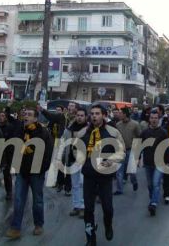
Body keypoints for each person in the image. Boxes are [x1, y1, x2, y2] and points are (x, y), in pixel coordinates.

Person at [77, 104, 125, 246]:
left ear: (103, 115)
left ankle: (108, 225)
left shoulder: (113, 132)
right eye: (92, 113)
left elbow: (121, 152)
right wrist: (82, 160)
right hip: (89, 176)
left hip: (105, 176)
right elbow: (76, 150)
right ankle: (90, 238)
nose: (94, 116)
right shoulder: (83, 133)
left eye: (97, 113)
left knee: (107, 207)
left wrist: (110, 161)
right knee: (88, 209)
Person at [6, 107, 53, 239]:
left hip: (37, 172)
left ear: (36, 118)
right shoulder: (19, 130)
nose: (26, 116)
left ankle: (38, 224)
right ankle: (15, 228)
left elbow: (48, 152)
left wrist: (42, 168)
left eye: (29, 115)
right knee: (19, 199)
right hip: (21, 170)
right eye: (25, 114)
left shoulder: (43, 132)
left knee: (37, 200)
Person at [60, 107, 89, 218]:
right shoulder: (69, 129)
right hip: (72, 159)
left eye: (82, 115)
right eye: (78, 115)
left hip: (85, 159)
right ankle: (76, 206)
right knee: (75, 184)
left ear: (86, 117)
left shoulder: (89, 129)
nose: (79, 117)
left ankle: (83, 207)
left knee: (82, 184)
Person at [140, 111, 169, 216]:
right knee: (150, 185)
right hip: (148, 162)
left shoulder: (163, 132)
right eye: (152, 118)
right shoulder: (144, 133)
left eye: (156, 118)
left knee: (156, 183)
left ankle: (153, 203)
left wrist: (168, 161)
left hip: (160, 163)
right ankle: (153, 198)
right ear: (149, 119)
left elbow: (167, 148)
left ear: (159, 119)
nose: (154, 120)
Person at [114, 107, 141, 195]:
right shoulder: (118, 125)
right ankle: (119, 189)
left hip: (132, 149)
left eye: (120, 113)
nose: (118, 114)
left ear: (125, 114)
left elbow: (139, 136)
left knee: (131, 171)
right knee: (119, 171)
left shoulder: (135, 124)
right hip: (121, 150)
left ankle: (134, 182)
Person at [0, 111, 15, 200]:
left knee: (6, 174)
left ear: (6, 118)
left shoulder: (10, 127)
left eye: (3, 115)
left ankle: (9, 192)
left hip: (7, 154)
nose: (1, 117)